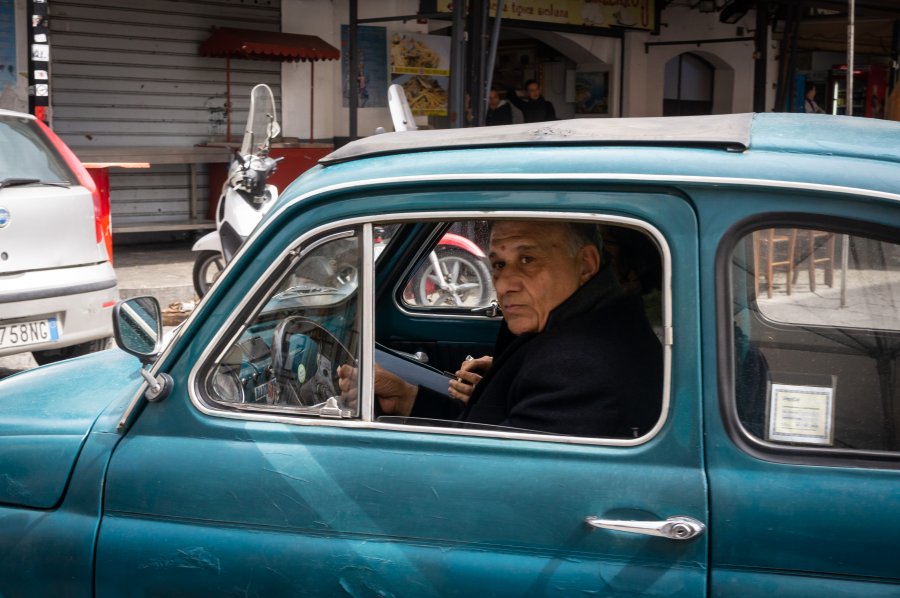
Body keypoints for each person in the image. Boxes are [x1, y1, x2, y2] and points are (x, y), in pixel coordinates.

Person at [339, 220, 663, 438]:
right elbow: (494, 427)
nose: (505, 284)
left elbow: (491, 478)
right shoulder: (570, 333)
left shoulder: (578, 367)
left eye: (528, 259)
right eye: (498, 264)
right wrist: (408, 399)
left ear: (587, 264)